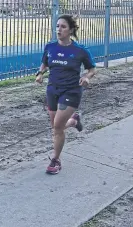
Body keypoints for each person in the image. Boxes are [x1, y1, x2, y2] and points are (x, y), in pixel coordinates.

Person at [35, 14, 97, 175]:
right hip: (52, 90)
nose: (59, 30)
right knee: (56, 127)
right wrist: (40, 74)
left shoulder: (80, 51)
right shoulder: (50, 47)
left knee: (57, 127)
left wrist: (86, 77)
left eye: (63, 27)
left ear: (70, 30)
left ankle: (56, 160)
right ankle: (74, 121)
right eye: (57, 26)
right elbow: (45, 63)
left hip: (71, 91)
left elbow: (92, 69)